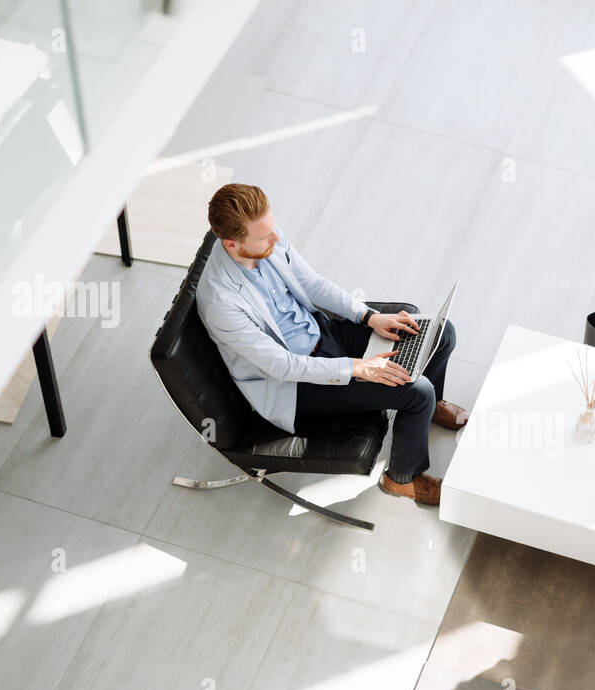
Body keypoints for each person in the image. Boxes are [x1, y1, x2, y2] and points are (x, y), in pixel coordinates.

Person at [195, 184, 466, 505]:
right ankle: (402, 478)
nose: (277, 239)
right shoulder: (220, 302)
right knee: (417, 392)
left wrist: (369, 317)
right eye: (265, 237)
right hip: (296, 385)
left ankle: (430, 411)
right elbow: (282, 365)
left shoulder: (262, 236)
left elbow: (311, 283)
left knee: (440, 332)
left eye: (272, 228)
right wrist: (359, 368)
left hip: (323, 334)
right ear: (232, 244)